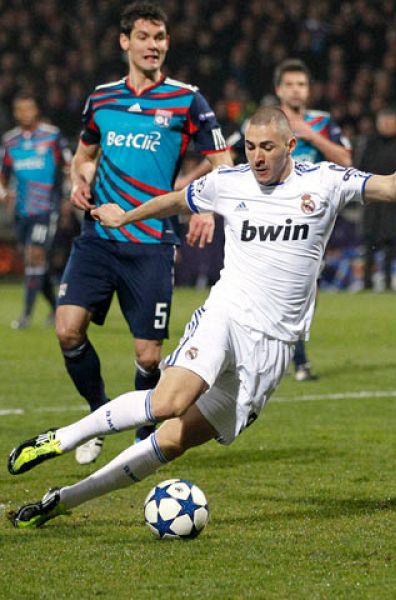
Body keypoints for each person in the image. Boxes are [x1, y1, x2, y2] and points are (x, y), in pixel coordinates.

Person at [5, 109, 396, 529]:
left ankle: (60, 501)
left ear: (291, 145)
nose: (257, 157)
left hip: (272, 347)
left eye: (268, 147)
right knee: (168, 402)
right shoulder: (229, 182)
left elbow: (392, 188)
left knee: (172, 441)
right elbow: (177, 200)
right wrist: (126, 216)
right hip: (226, 313)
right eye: (250, 146)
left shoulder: (325, 181)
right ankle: (62, 438)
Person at [58, 2, 232, 465]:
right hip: (98, 237)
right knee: (67, 330)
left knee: (149, 357)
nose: (153, 46)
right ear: (125, 42)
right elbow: (85, 155)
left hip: (152, 242)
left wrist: (207, 209)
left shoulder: (187, 100)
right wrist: (80, 180)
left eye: (160, 38)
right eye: (144, 37)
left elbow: (223, 165)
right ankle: (98, 415)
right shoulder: (102, 99)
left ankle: (141, 440)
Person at [274, 58, 352, 381]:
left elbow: (346, 159)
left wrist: (311, 136)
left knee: (306, 293)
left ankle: (298, 359)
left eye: (302, 84)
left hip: (308, 226)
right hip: (269, 220)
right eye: (290, 84)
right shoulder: (266, 122)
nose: (296, 90)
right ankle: (287, 360)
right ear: (279, 89)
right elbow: (233, 156)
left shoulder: (323, 123)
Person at [0, 93, 71, 330]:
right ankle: (56, 308)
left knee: (35, 257)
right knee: (37, 266)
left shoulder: (52, 136)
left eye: (28, 109)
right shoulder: (10, 141)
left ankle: (25, 316)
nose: (24, 114)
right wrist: (4, 194)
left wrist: (68, 198)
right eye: (19, 109)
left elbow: (69, 166)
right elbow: (3, 175)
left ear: (36, 110)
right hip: (22, 211)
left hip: (46, 208)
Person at [358, 107, 396, 291]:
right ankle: (366, 282)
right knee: (368, 242)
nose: (386, 125)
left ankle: (387, 282)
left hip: (393, 200)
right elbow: (360, 167)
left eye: (390, 121)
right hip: (372, 198)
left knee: (389, 243)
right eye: (383, 121)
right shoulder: (370, 143)